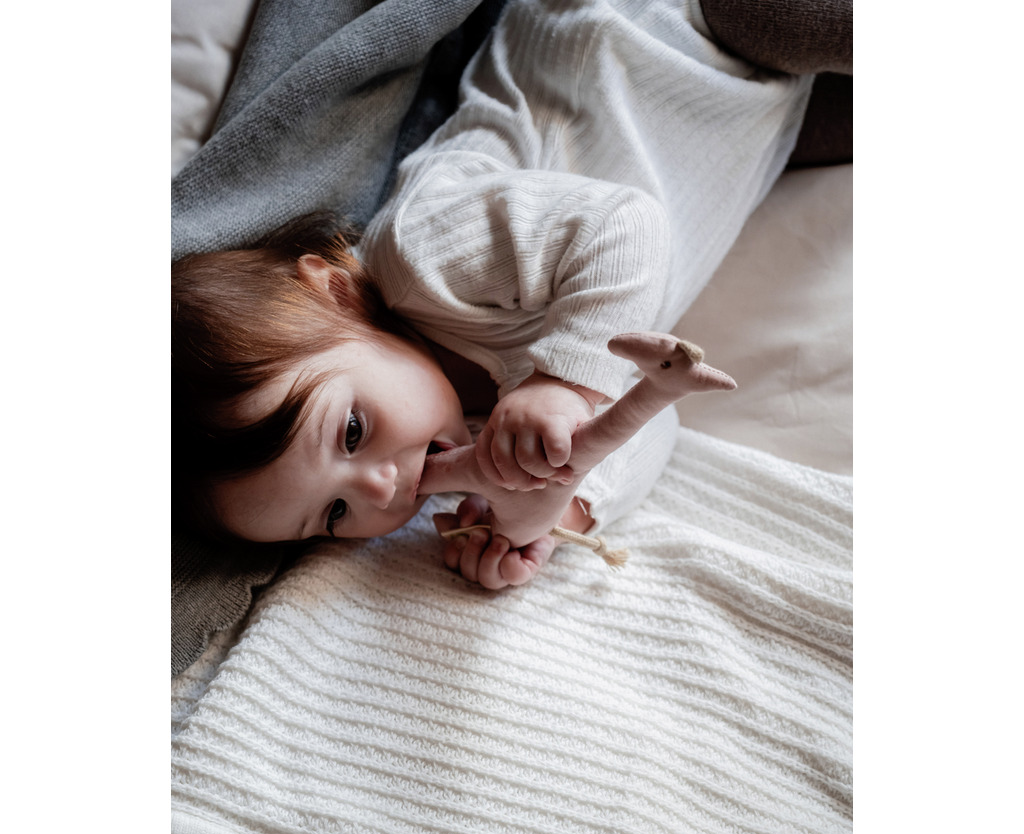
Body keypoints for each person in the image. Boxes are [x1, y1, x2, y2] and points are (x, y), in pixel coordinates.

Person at [172, 0, 812, 589]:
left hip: (665, 33)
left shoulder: (420, 256)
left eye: (352, 431)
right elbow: (656, 414)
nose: (381, 490)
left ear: (335, 292)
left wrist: (564, 386)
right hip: (768, 107)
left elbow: (625, 226)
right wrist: (554, 506)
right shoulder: (469, 440)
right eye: (335, 513)